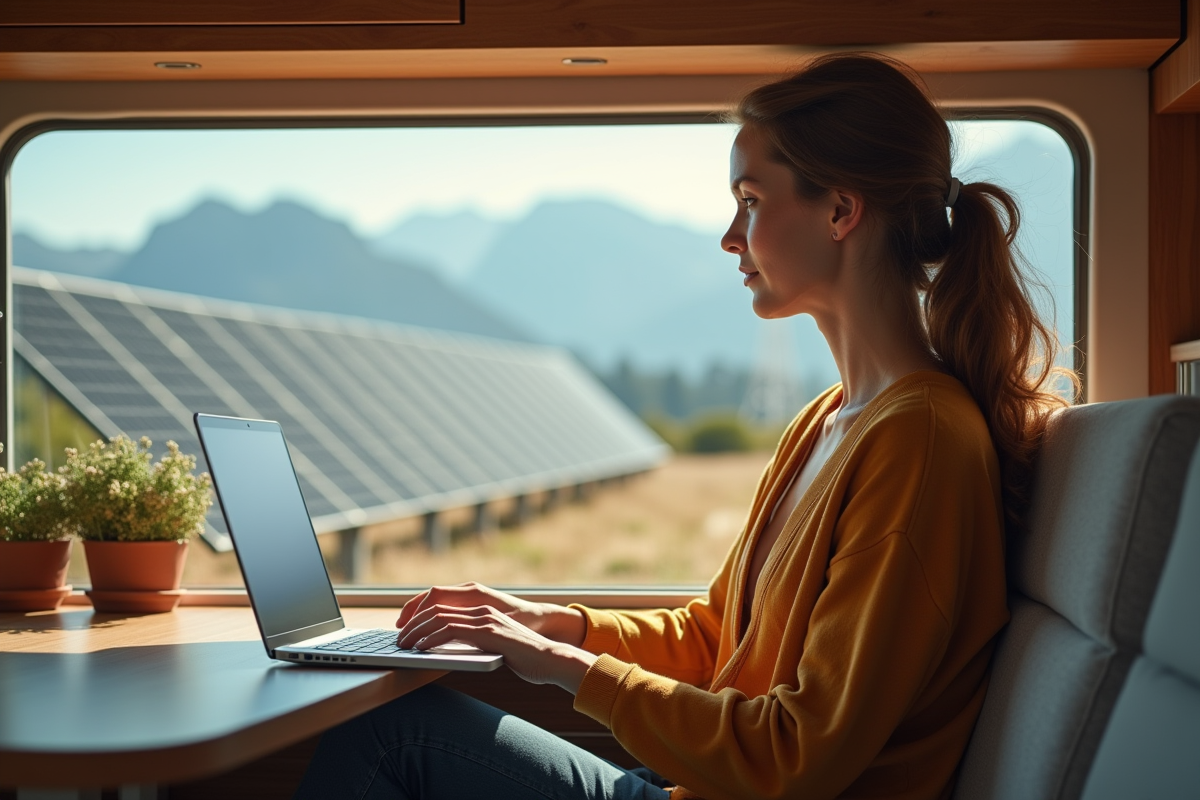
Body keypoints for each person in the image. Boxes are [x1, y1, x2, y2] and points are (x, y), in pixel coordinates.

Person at [294, 53, 1070, 800]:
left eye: (753, 201)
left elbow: (796, 754)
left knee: (389, 737)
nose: (731, 236)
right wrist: (552, 623)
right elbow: (713, 640)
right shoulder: (828, 420)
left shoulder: (921, 439)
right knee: (395, 723)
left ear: (840, 210)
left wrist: (555, 663)